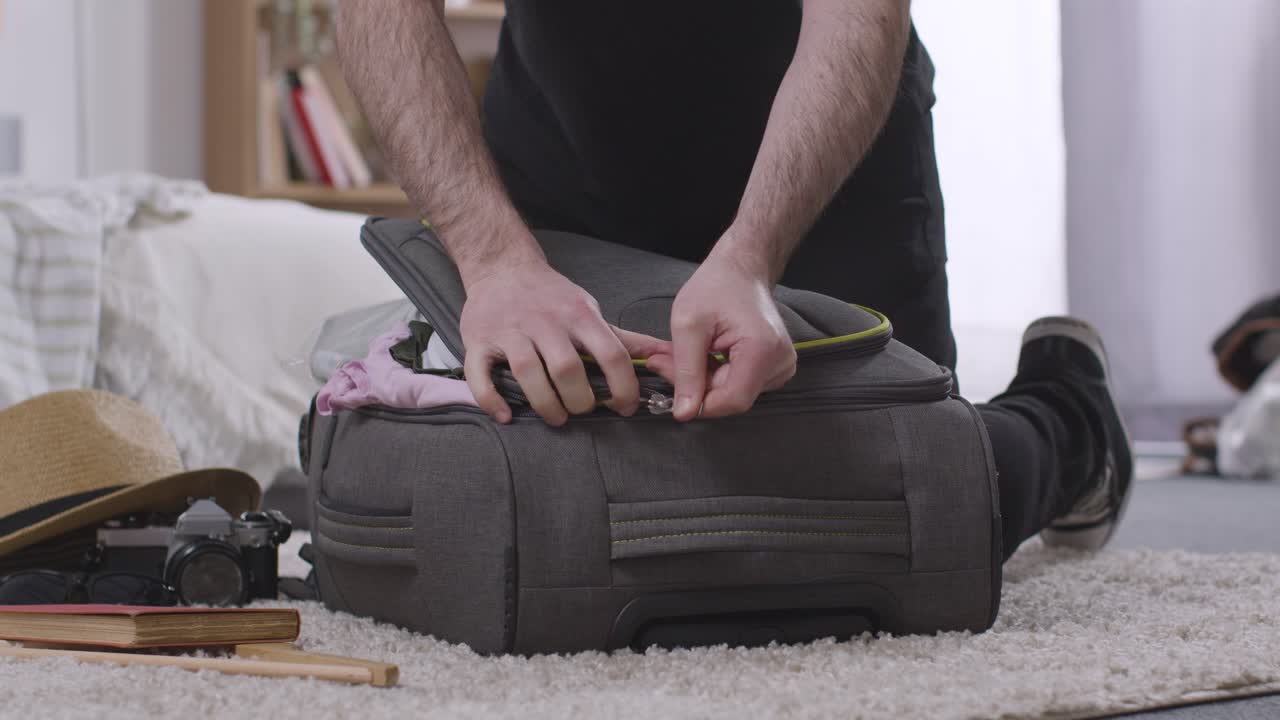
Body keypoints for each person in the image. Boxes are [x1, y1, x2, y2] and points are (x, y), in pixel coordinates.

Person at [336, 1, 1134, 558]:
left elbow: (857, 17)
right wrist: (495, 261)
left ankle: (1071, 415)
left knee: (903, 515)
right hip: (565, 157)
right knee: (563, 504)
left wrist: (751, 255)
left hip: (829, 162)